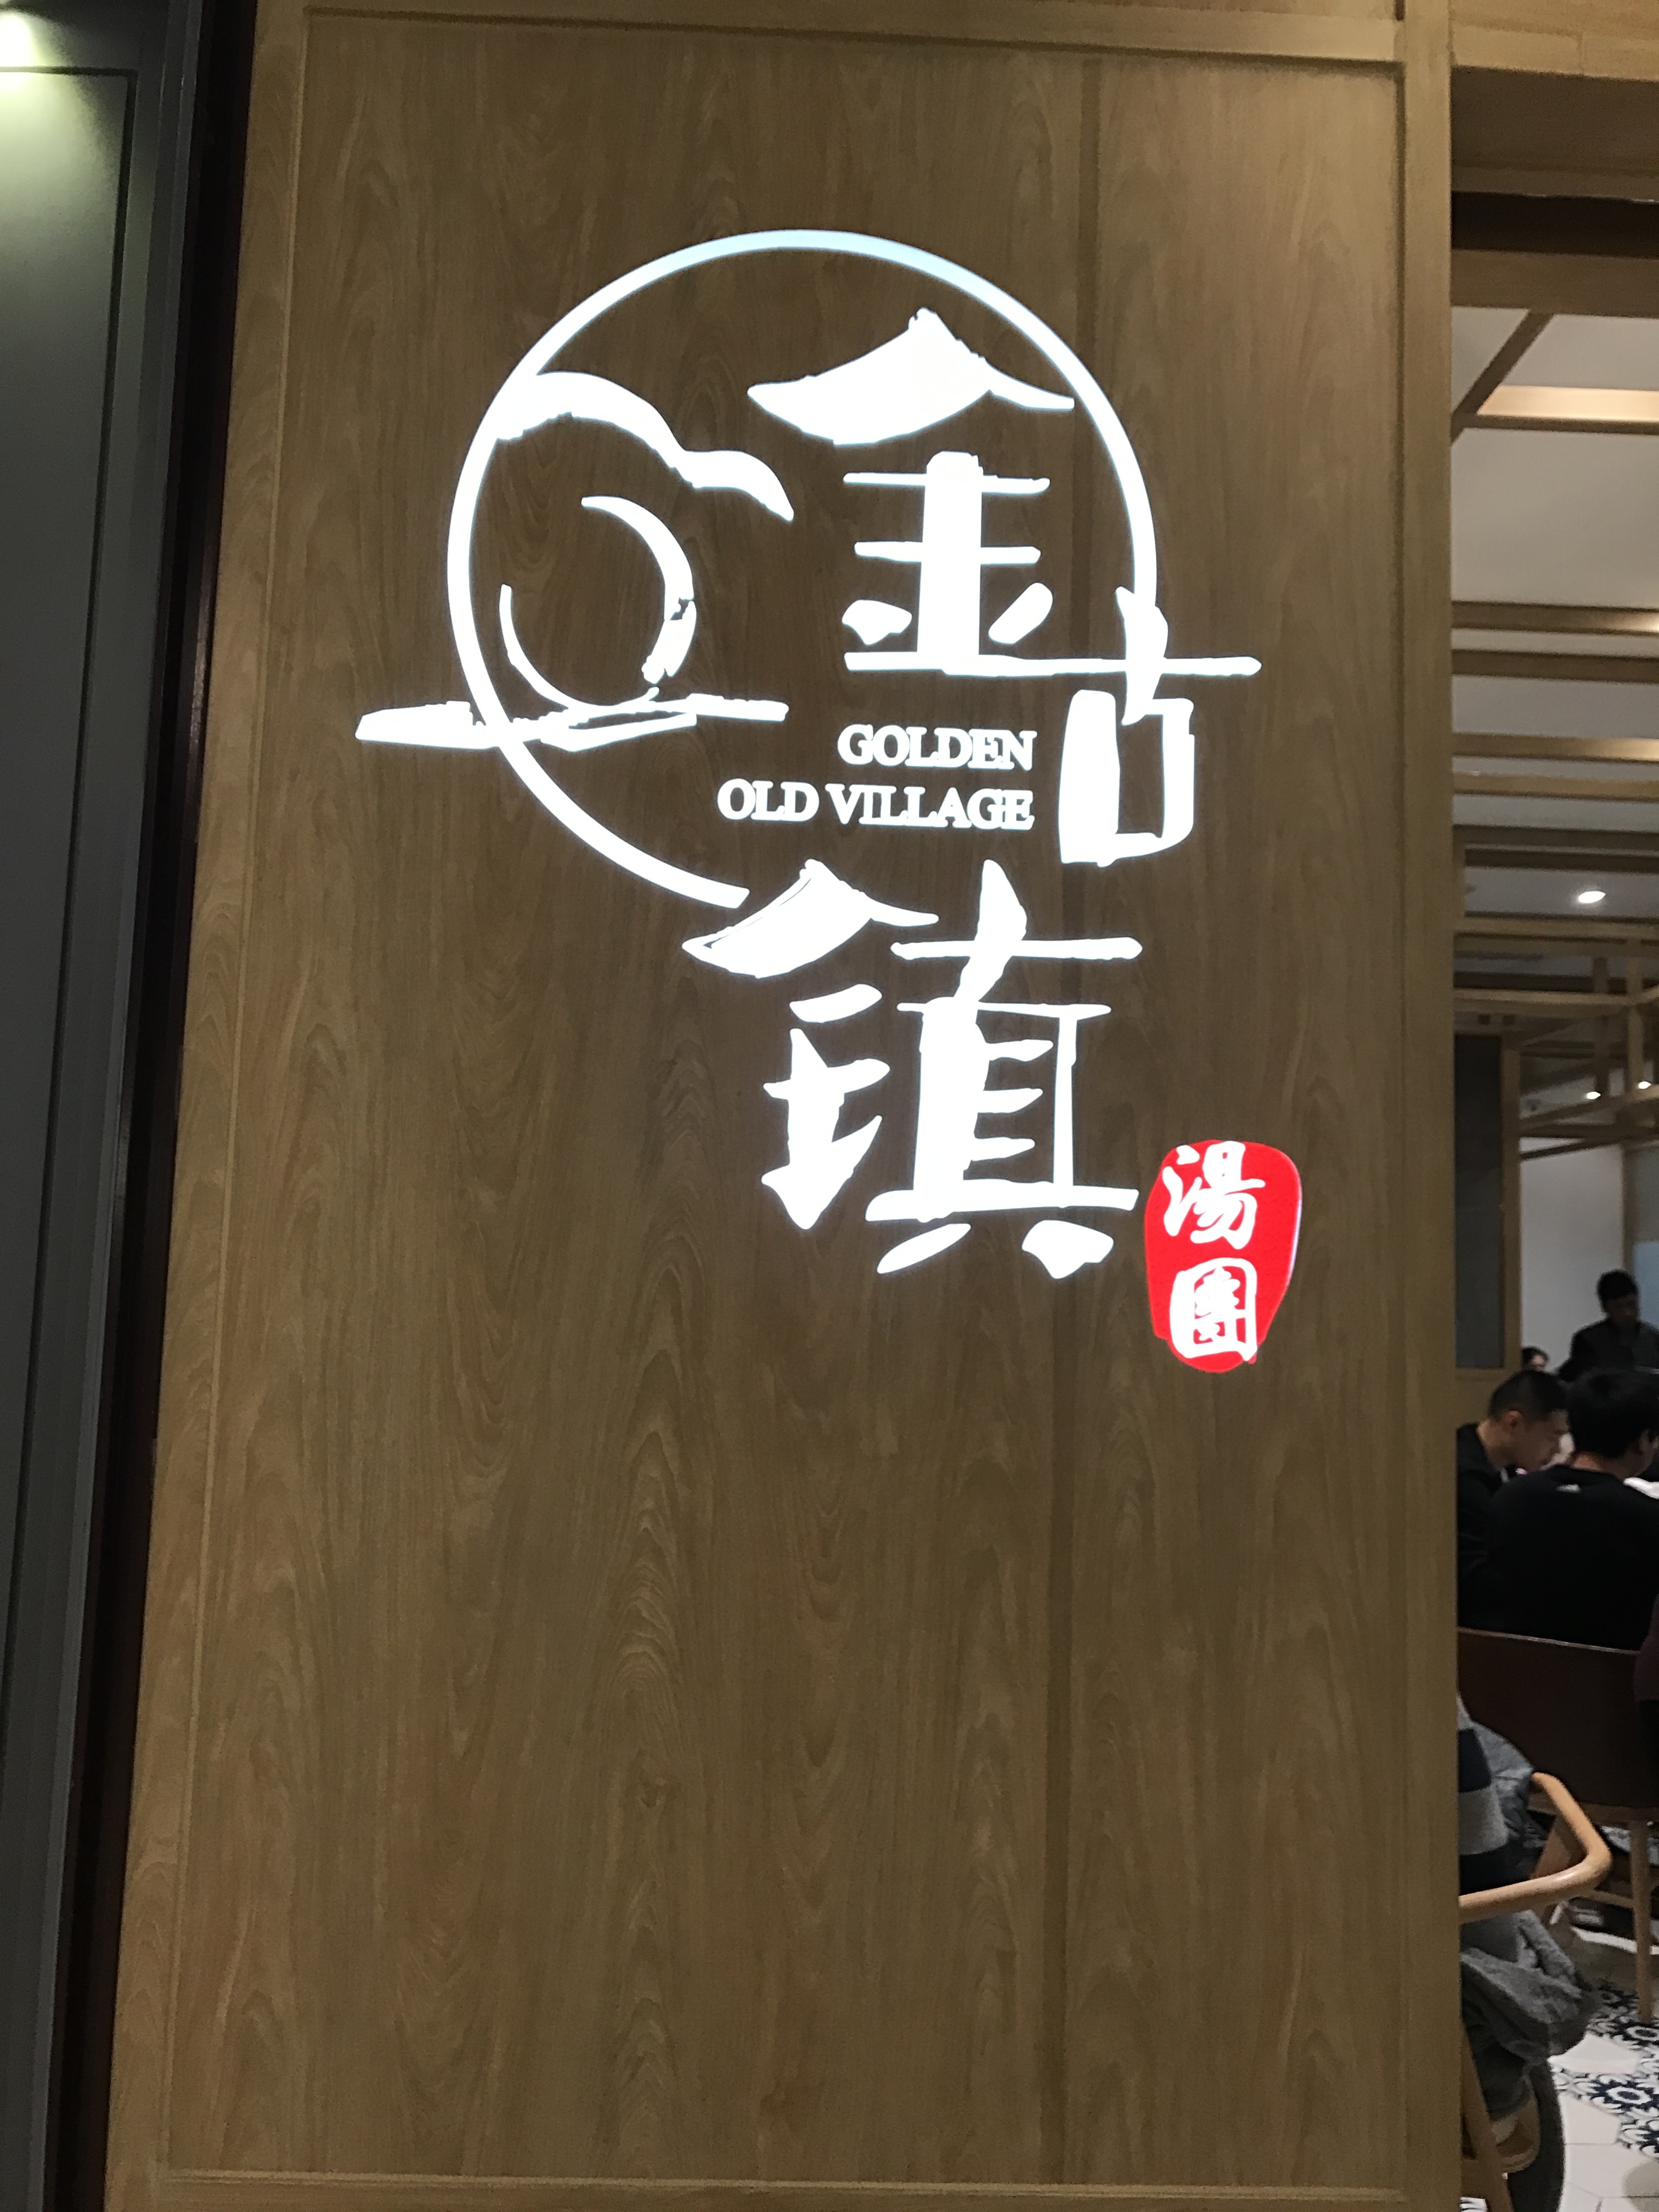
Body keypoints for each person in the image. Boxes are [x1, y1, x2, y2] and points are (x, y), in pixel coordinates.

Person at [1487, 1369, 1659, 1649]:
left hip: (1509, 1666)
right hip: (1614, 1672)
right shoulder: (1646, 1519)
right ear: (1642, 1442)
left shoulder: (1510, 1497)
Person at [1458, 1369, 1570, 1629]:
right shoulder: (1464, 1477)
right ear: (1513, 1424)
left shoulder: (1501, 1470)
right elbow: (1473, 1580)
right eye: (1553, 1436)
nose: (1557, 1449)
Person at [1559, 1269, 1659, 1380]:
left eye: (1631, 1304)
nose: (1627, 1313)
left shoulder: (1654, 1339)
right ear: (1605, 1308)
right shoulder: (1587, 1341)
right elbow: (1575, 1383)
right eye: (1618, 1307)